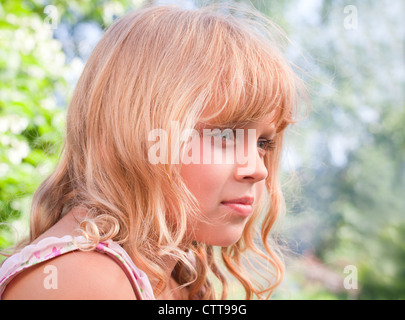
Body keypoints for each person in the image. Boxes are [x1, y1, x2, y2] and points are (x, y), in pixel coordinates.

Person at [0, 3, 306, 300]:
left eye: (263, 143)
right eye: (226, 135)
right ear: (134, 134)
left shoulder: (174, 276)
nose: (258, 169)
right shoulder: (84, 279)